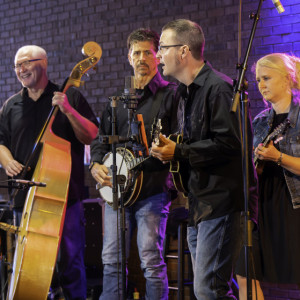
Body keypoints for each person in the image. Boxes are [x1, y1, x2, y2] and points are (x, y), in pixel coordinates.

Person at [151, 19, 258, 299]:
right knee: (213, 289)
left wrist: (179, 151)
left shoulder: (219, 89)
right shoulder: (186, 93)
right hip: (200, 203)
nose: (158, 55)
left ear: (183, 51)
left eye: (163, 47)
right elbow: (199, 143)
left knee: (208, 290)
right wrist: (171, 148)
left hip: (221, 202)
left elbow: (230, 144)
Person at [0, 45, 99, 299]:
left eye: (26, 63)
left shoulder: (69, 97)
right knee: (30, 268)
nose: (21, 70)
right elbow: (1, 142)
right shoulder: (11, 105)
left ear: (43, 63)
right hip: (25, 199)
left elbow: (91, 135)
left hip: (65, 198)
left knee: (70, 263)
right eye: (17, 66)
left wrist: (68, 110)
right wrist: (7, 160)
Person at [89, 28, 179, 300]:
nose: (142, 58)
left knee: (151, 262)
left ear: (158, 55)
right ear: (129, 57)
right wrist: (94, 165)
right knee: (111, 261)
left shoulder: (172, 96)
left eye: (147, 52)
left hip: (152, 191)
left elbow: (176, 143)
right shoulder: (116, 100)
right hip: (116, 192)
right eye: (136, 52)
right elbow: (100, 139)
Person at [236, 53, 300, 299]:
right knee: (245, 273)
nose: (260, 85)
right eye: (258, 80)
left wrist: (278, 157)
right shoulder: (260, 120)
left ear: (287, 79)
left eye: (267, 78)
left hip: (292, 205)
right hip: (261, 205)